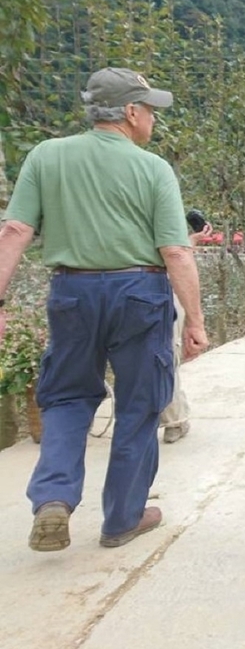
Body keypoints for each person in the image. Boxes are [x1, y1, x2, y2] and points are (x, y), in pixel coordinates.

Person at [0, 66, 209, 552]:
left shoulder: (46, 157)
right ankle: (122, 518)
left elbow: (14, 232)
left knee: (68, 397)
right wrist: (195, 321)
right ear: (130, 112)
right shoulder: (152, 168)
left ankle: (53, 497)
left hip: (72, 292)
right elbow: (176, 252)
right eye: (150, 109)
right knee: (139, 403)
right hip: (139, 293)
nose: (154, 118)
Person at [160, 221, 213, 444]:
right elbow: (174, 253)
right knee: (163, 358)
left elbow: (175, 250)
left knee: (162, 358)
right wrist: (195, 322)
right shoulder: (154, 190)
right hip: (157, 288)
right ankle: (175, 419)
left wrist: (190, 240)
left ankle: (175, 419)